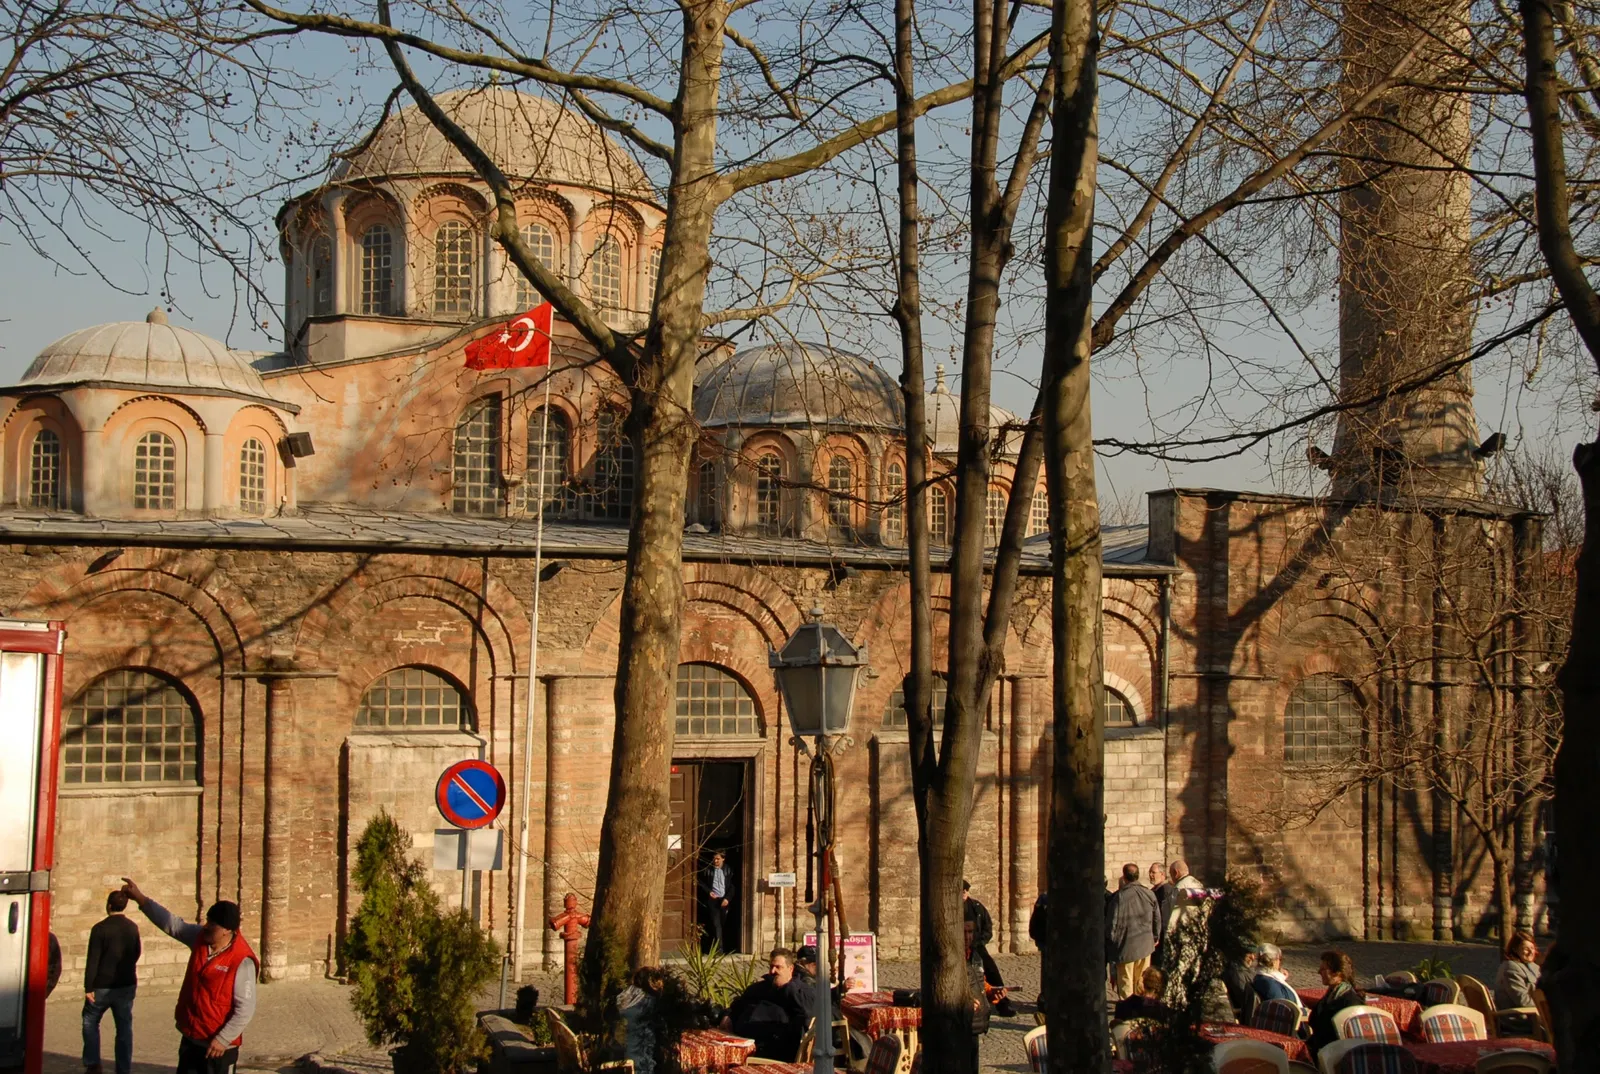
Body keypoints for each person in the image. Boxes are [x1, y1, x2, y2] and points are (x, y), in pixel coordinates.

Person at [119, 877, 257, 1074]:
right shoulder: (200, 938)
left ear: (228, 930)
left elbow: (246, 1008)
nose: (207, 926)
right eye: (208, 920)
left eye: (213, 924)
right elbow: (173, 925)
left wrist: (223, 1039)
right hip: (192, 1038)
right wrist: (141, 899)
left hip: (218, 1048)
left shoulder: (241, 961)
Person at [82, 890, 141, 1074]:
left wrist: (88, 986)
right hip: (126, 984)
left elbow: (93, 959)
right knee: (124, 1027)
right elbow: (137, 952)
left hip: (102, 985)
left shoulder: (100, 928)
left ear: (108, 905)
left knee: (90, 1021)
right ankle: (123, 1068)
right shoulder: (132, 927)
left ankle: (93, 1064)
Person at [721, 948, 814, 1061]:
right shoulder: (760, 987)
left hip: (771, 1051)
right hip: (741, 1041)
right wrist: (728, 1015)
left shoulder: (801, 992)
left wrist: (787, 988)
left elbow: (807, 1015)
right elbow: (738, 1004)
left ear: (790, 969)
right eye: (771, 966)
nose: (772, 971)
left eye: (778, 967)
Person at [1104, 863, 1161, 1000]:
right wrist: (1155, 936)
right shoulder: (1149, 893)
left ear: (1124, 877)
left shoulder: (1120, 897)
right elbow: (1157, 918)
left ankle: (1128, 1013)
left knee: (1126, 983)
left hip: (1126, 946)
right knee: (1141, 981)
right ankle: (1140, 1009)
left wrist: (1111, 943)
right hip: (1145, 944)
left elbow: (1112, 923)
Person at [962, 880, 1017, 1017]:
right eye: (961, 892)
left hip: (977, 946)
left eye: (965, 892)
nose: (963, 895)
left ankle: (1002, 1003)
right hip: (960, 947)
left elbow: (987, 926)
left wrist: (980, 942)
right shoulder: (952, 909)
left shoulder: (976, 907)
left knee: (991, 971)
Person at [1306, 950, 1363, 1058]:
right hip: (1319, 1050)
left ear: (1337, 973)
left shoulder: (1350, 1002)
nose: (1319, 972)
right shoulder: (1331, 995)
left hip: (1335, 1056)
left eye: (1323, 969)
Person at [1496, 931, 1542, 1010]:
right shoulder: (1511, 968)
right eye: (1526, 949)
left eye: (1532, 948)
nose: (1531, 952)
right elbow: (1523, 1000)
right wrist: (1546, 1005)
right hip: (1521, 1017)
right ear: (1515, 949)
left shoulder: (1534, 967)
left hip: (1536, 1013)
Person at [699, 851, 733, 952]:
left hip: (724, 900)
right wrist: (709, 892)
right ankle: (719, 950)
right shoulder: (708, 870)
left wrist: (727, 898)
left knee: (722, 925)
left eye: (718, 859)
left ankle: (724, 946)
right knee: (716, 924)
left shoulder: (728, 870)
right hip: (713, 900)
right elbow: (701, 882)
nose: (715, 861)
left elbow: (732, 886)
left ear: (723, 859)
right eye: (714, 859)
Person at [1251, 942, 1302, 1010]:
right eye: (1279, 959)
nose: (1280, 962)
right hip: (1294, 1016)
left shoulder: (1262, 977)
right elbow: (1282, 1007)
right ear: (1273, 961)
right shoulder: (1268, 983)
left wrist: (1280, 976)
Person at [1148, 864, 1174, 961]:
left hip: (1162, 935)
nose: (1151, 875)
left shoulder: (1165, 890)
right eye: (1150, 872)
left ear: (1162, 874)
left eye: (1153, 872)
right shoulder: (1154, 891)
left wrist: (1158, 934)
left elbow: (1164, 916)